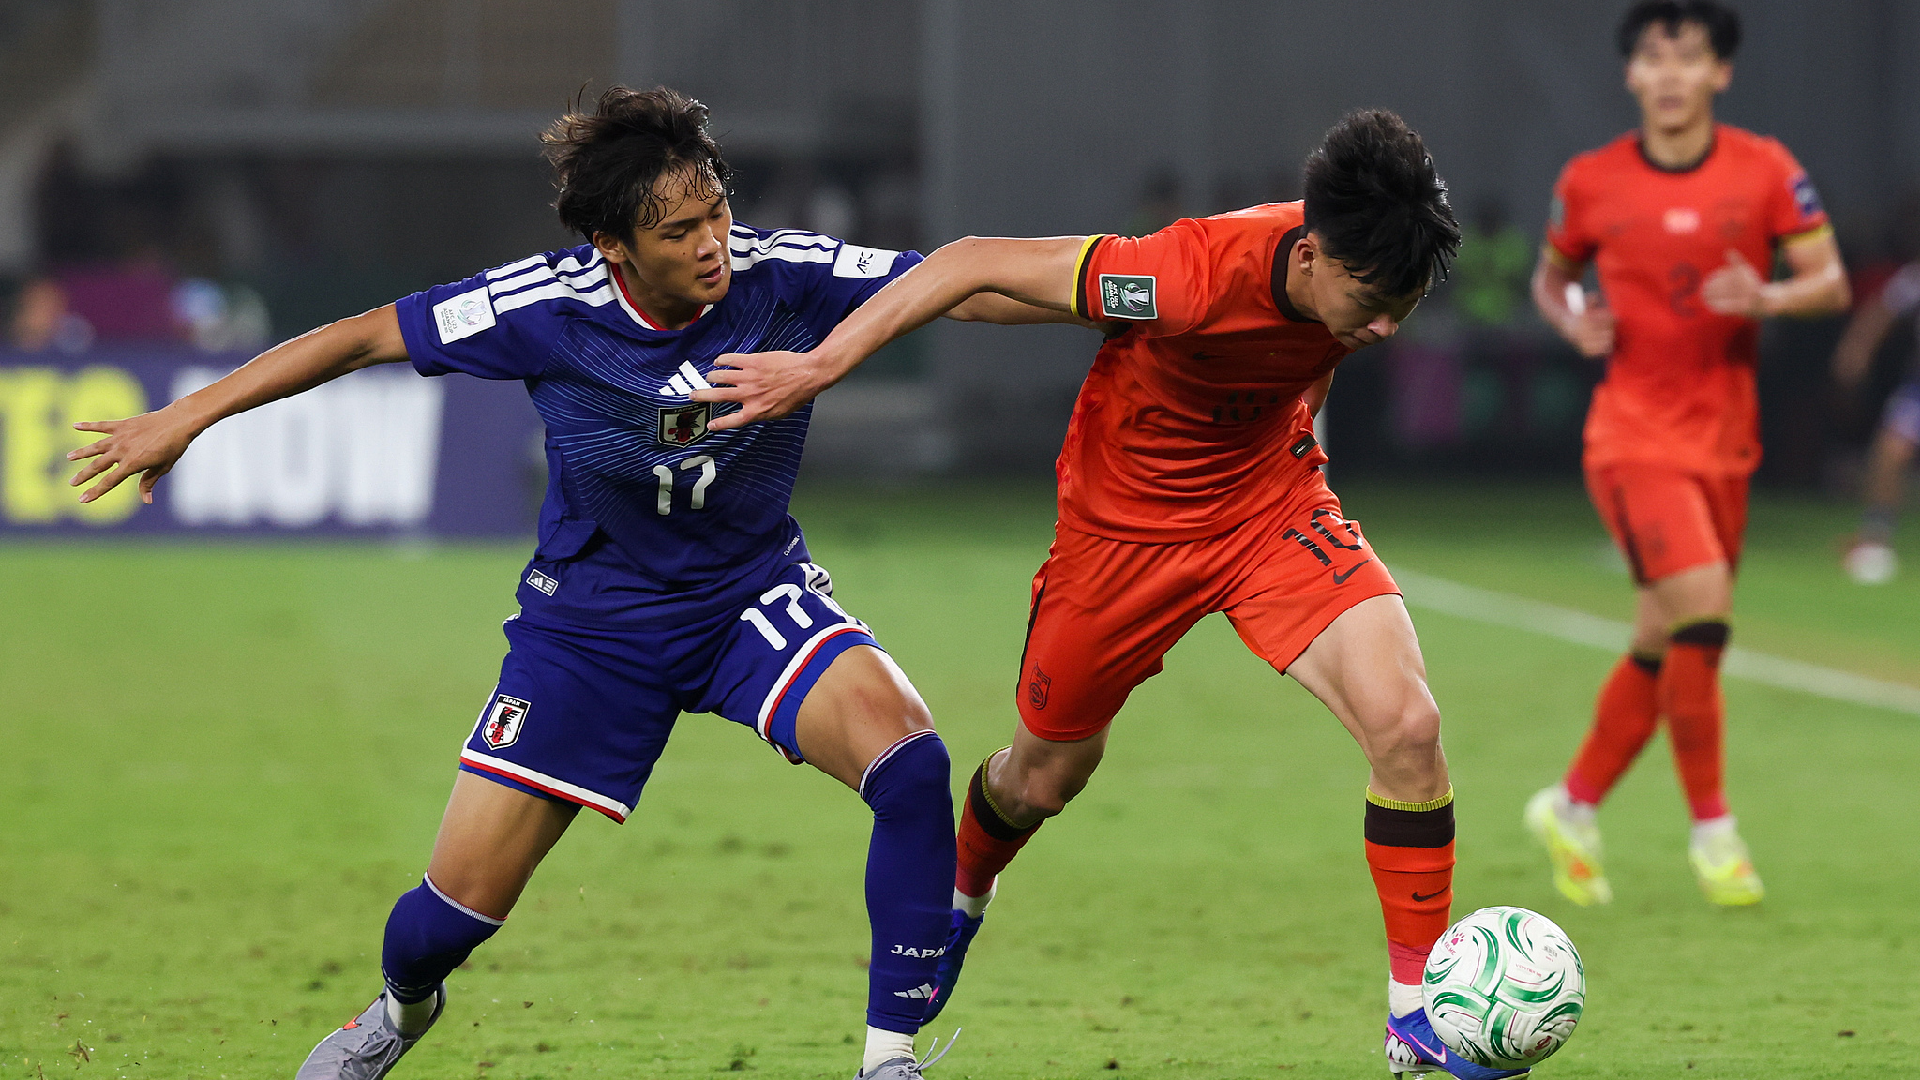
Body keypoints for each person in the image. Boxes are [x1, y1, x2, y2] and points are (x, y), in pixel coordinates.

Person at [62, 86, 1046, 1080]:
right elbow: (359, 337)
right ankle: (398, 1015)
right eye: (679, 230)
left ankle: (888, 1062)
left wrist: (1111, 295)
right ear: (614, 247)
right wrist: (189, 414)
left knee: (912, 764)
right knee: (445, 920)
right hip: (591, 627)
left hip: (747, 594)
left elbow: (960, 282)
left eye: (718, 211)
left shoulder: (779, 272)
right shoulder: (544, 307)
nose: (713, 244)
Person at [699, 111, 1520, 1080]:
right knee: (1041, 778)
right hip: (1120, 540)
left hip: (1268, 507)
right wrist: (821, 365)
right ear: (1309, 255)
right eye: (1376, 300)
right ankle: (963, 895)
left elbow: (1307, 360)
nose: (1387, 325)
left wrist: (1300, 447)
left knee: (1409, 727)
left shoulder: (1352, 270)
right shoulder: (1185, 274)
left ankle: (1414, 1022)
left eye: (1408, 303)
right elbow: (969, 265)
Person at [1525, 1, 1848, 908]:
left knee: (1666, 640)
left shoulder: (1767, 169)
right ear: (1631, 75)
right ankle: (1715, 832)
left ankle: (1571, 806)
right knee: (1703, 610)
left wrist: (1772, 299)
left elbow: (1826, 278)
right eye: (1654, 58)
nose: (1669, 75)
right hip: (1630, 438)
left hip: (1723, 442)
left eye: (1689, 57)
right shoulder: (1591, 182)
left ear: (1720, 73)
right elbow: (1549, 279)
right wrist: (1569, 318)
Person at [1831, 258, 1920, 584]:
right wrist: (1856, 350)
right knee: (1890, 450)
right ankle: (1876, 539)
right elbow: (1880, 311)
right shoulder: (1914, 277)